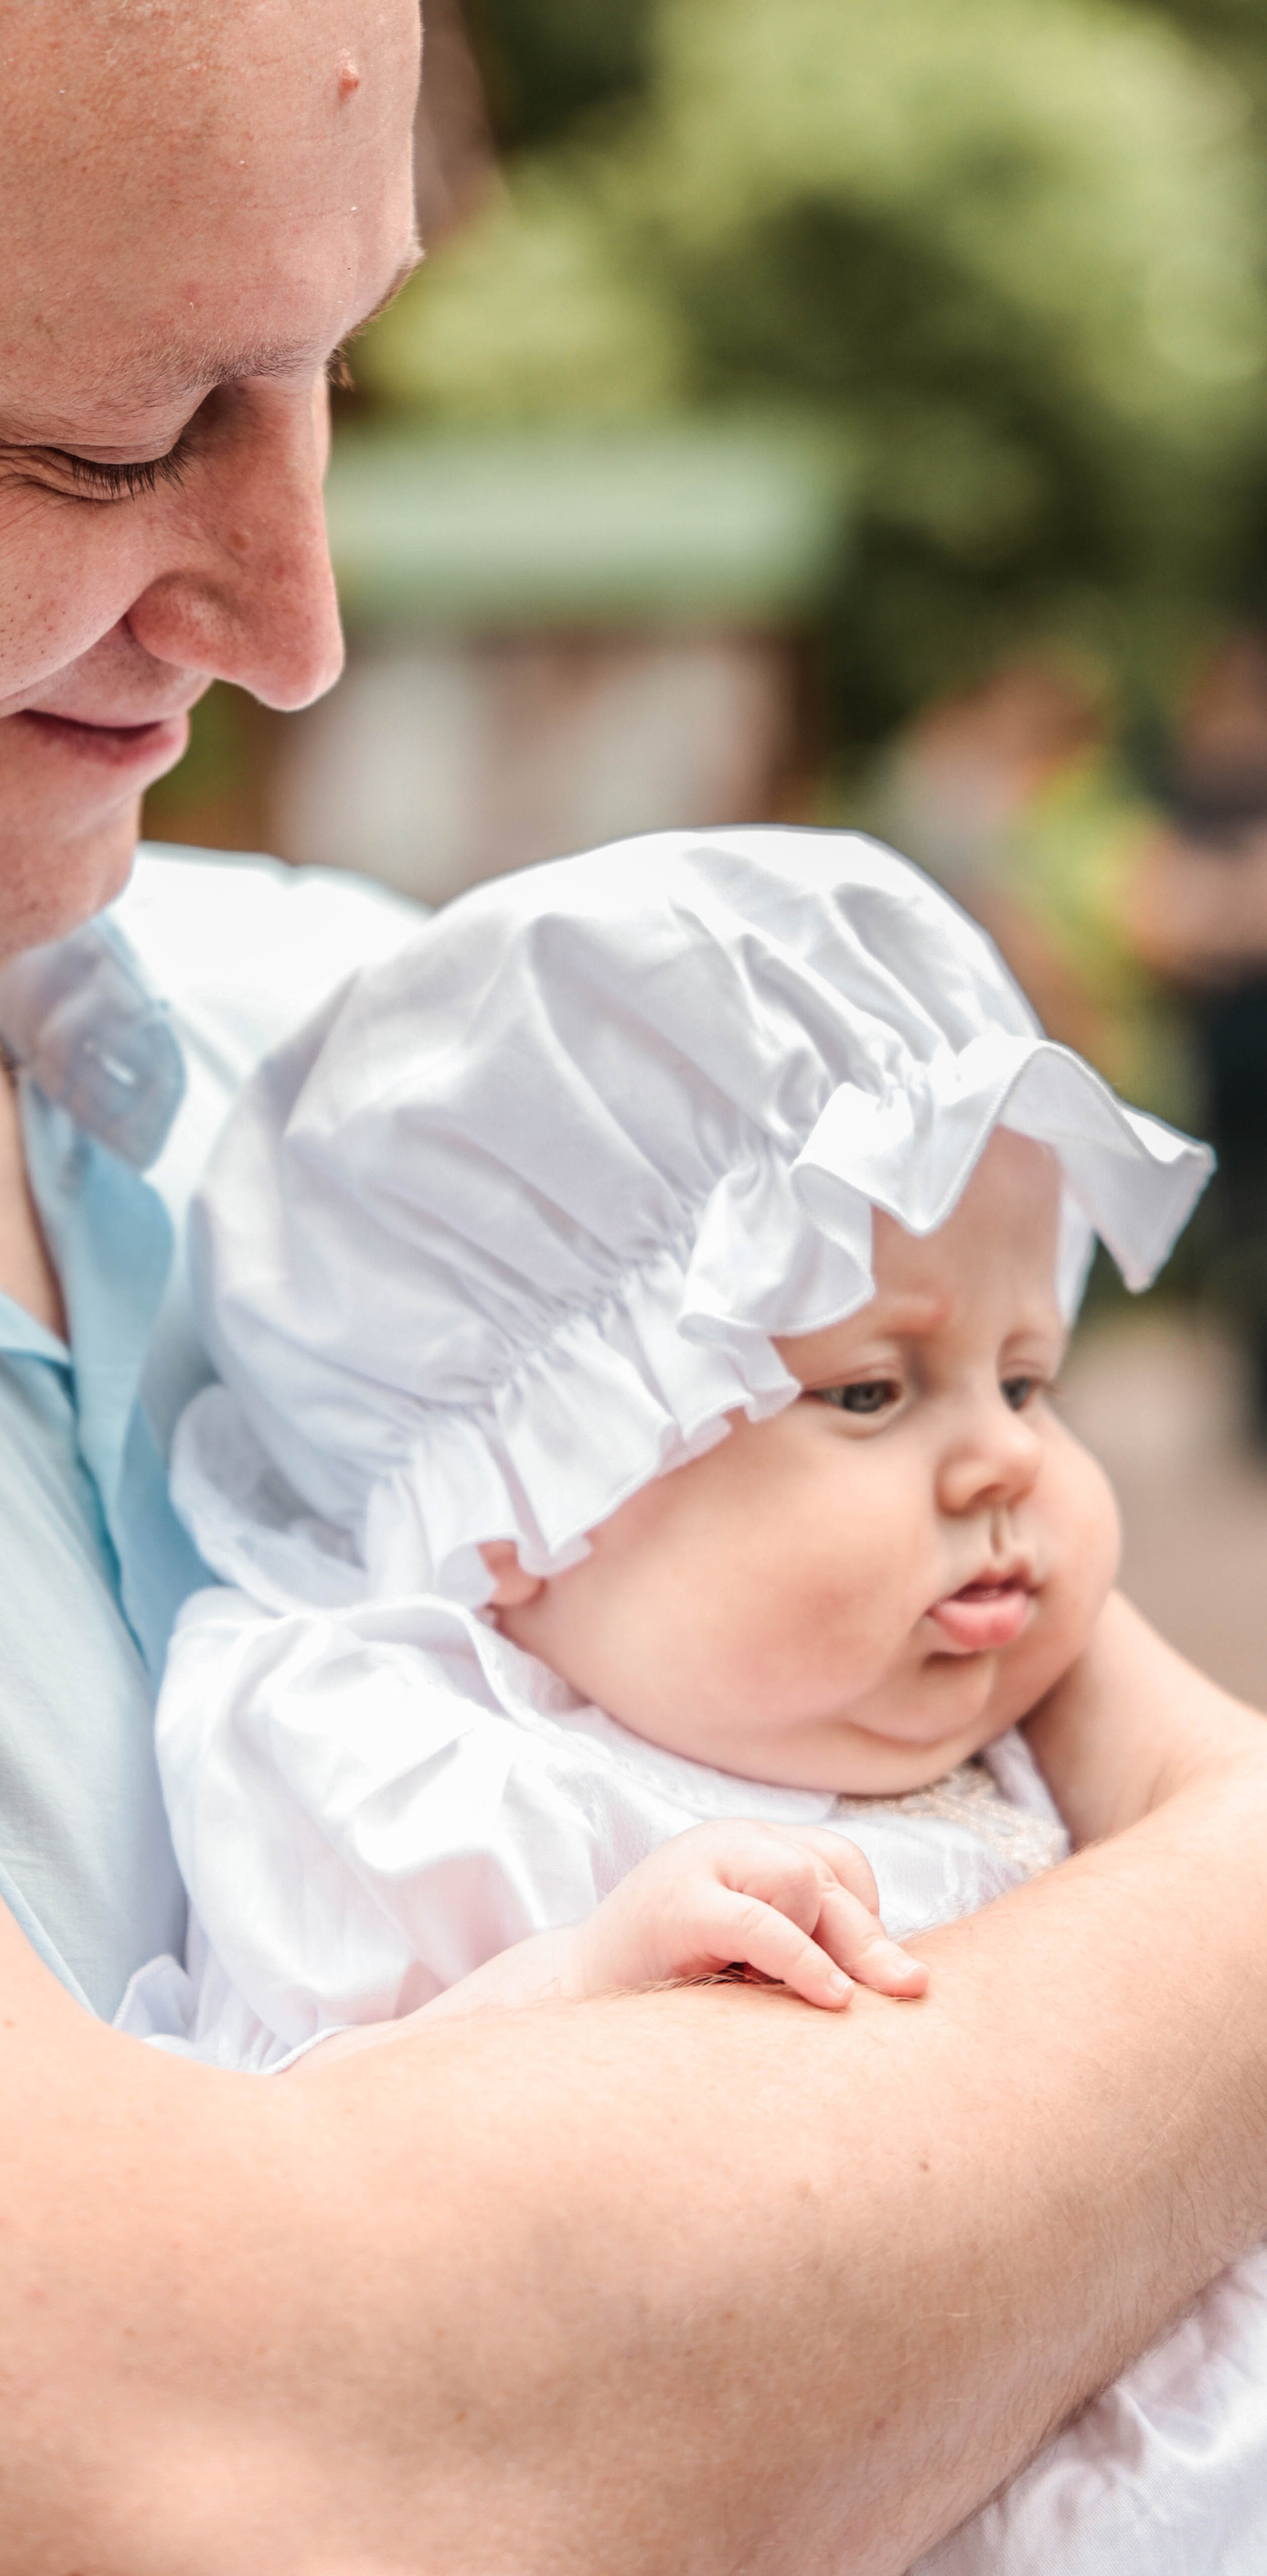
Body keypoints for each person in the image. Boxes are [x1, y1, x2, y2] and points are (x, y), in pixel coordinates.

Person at [0, 0, 1267, 2575]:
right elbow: (282, 2470)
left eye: (332, 379)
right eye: (109, 435)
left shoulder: (418, 1048)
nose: (294, 619)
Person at [140, 829, 1267, 2571]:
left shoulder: (1001, 1717)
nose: (1001, 1457)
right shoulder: (427, 1762)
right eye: (874, 1391)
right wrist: (574, 1982)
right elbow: (302, 2210)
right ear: (521, 1503)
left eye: (1027, 1376)